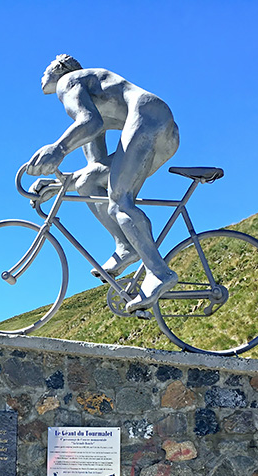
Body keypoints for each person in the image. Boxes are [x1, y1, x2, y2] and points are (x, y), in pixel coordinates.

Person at [25, 54, 180, 313]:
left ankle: (159, 272)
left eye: (47, 69)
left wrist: (59, 148)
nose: (43, 75)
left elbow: (90, 123)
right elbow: (92, 170)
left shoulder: (70, 81)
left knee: (120, 201)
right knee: (88, 185)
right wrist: (57, 186)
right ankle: (127, 246)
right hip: (163, 132)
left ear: (59, 68)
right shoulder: (90, 101)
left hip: (148, 117)